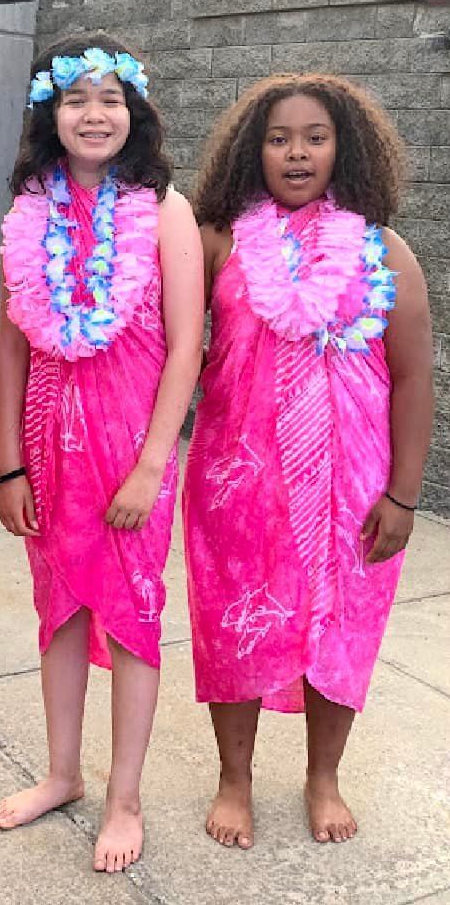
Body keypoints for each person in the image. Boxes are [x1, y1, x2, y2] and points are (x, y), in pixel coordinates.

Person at [182, 73, 434, 850]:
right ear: (250, 151)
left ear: (343, 148)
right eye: (278, 138)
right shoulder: (217, 240)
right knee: (235, 626)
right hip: (237, 479)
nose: (296, 152)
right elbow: (167, 344)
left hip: (351, 486)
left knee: (341, 629)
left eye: (314, 137)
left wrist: (404, 494)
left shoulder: (382, 249)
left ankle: (323, 776)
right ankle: (235, 778)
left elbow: (414, 374)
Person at [0, 34, 204, 872]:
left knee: (131, 614)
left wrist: (154, 462)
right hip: (46, 442)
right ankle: (61, 775)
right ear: (51, 112)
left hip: (130, 448)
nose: (94, 113)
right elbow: (10, 349)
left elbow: (186, 345)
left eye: (111, 98)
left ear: (134, 113)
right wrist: (8, 462)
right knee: (61, 612)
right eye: (77, 99)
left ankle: (125, 798)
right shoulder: (26, 212)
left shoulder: (166, 209)